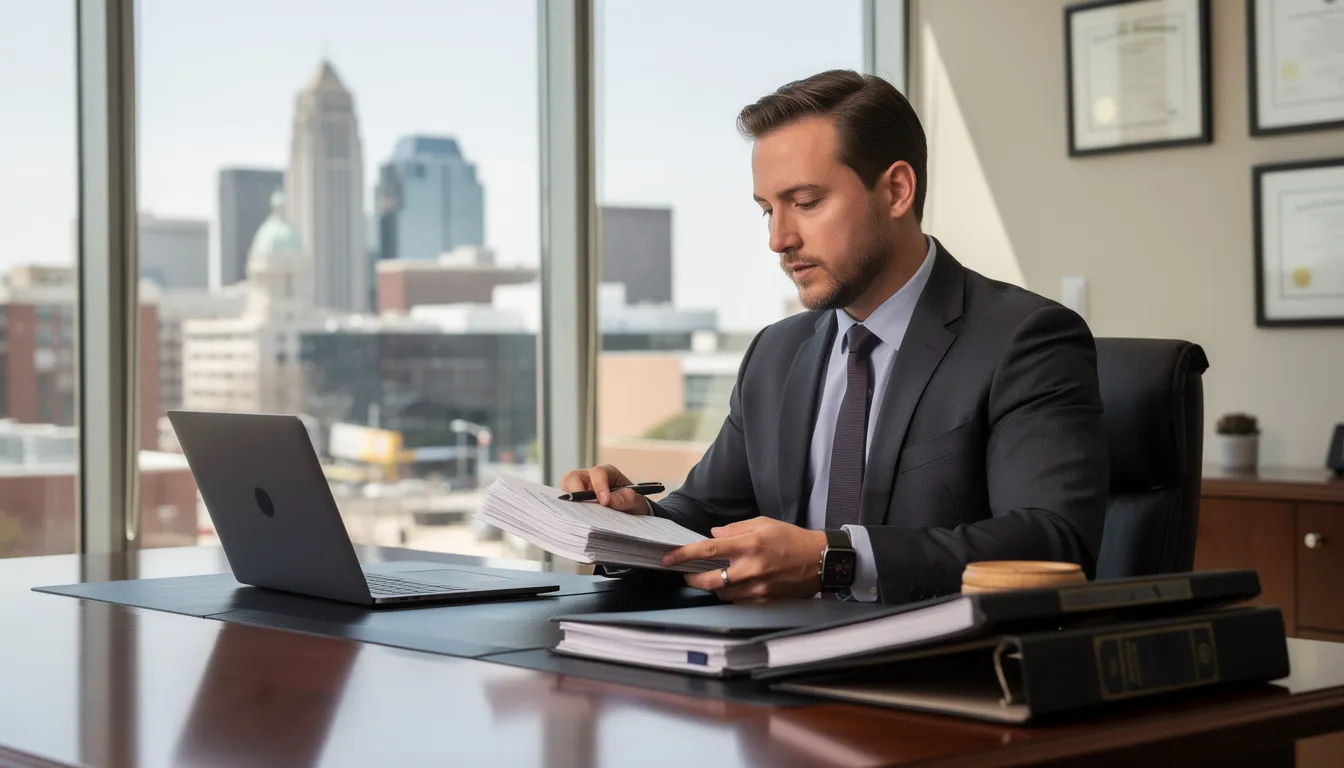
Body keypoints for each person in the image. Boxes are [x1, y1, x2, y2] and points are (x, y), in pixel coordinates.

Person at [562, 70, 1107, 604]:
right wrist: (633, 522)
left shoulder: (1024, 339)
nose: (779, 238)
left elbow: (1052, 542)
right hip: (773, 667)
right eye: (766, 210)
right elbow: (705, 515)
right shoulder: (775, 353)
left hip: (939, 675)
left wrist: (832, 560)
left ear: (896, 190)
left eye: (805, 202)